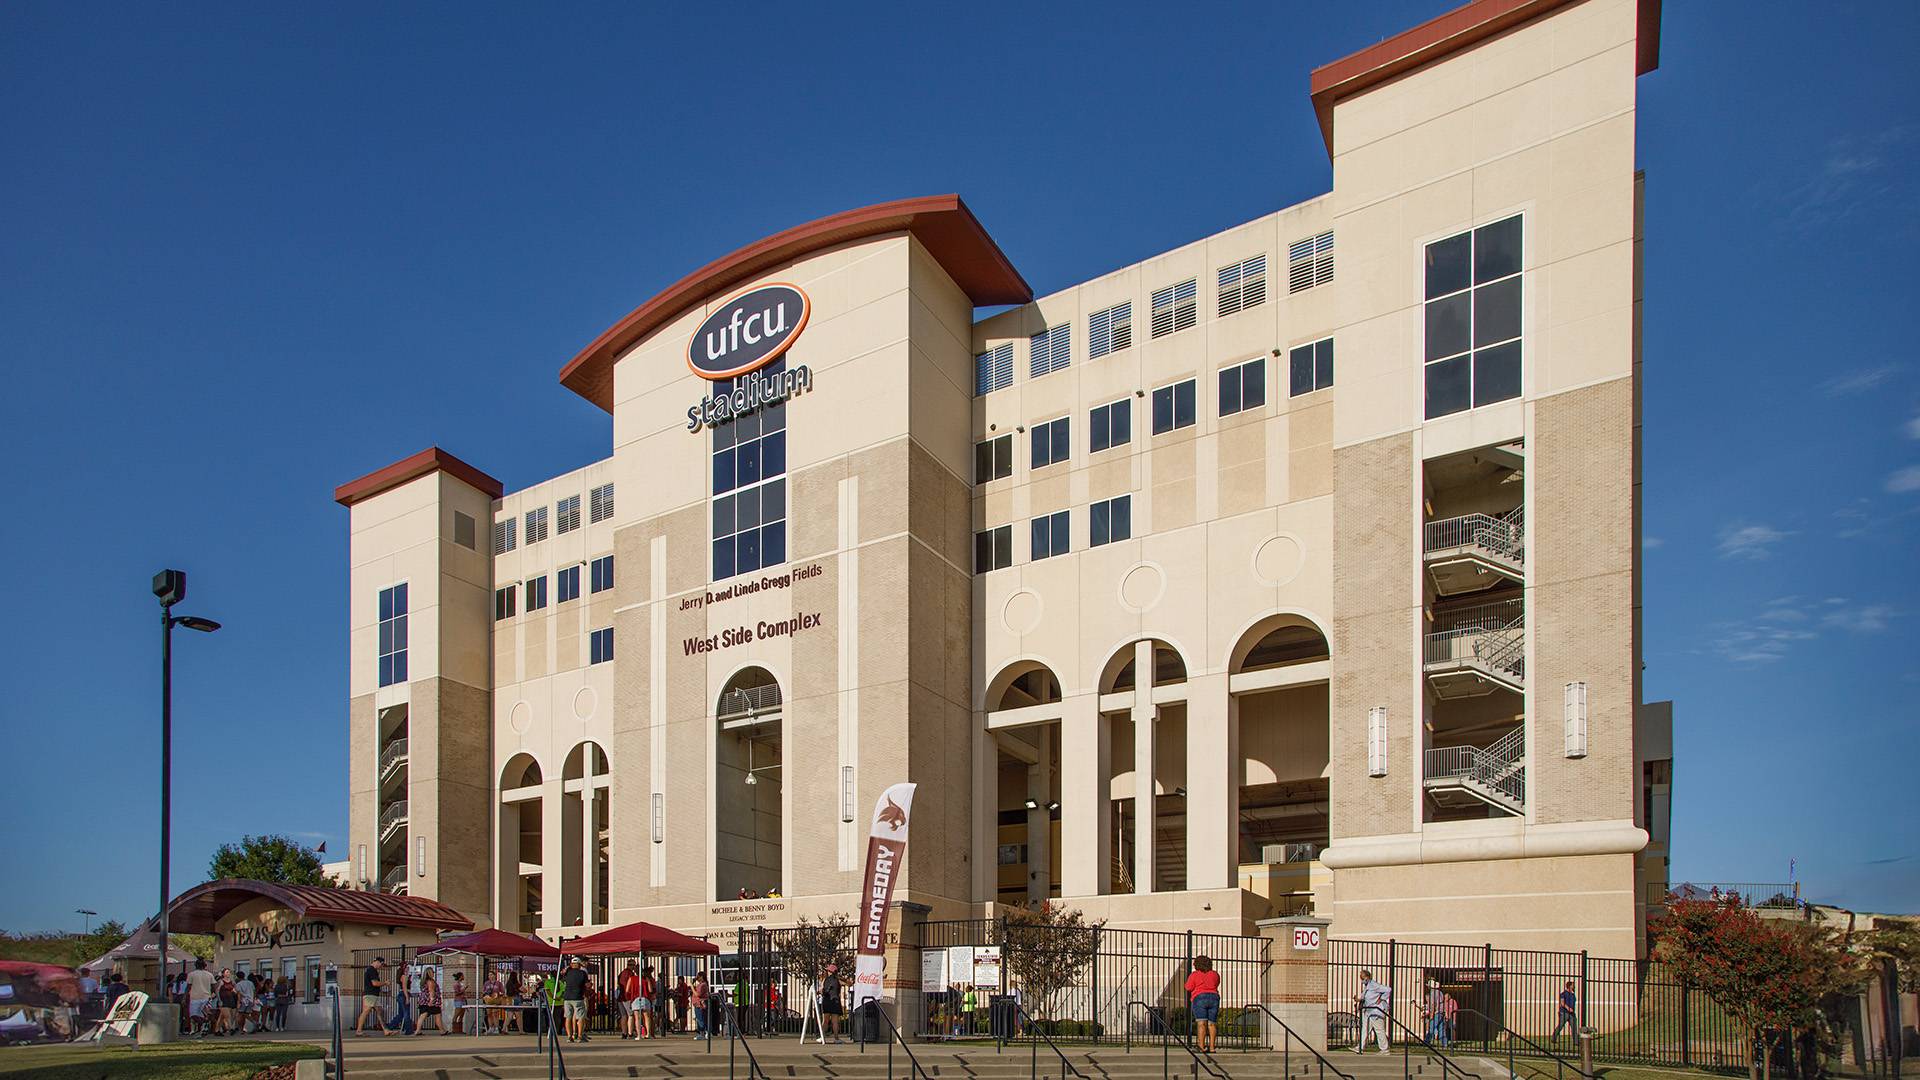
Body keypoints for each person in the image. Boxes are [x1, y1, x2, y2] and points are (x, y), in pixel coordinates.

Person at [1185, 955, 1222, 1054]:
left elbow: (1188, 987)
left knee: (1201, 1023)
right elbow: (1216, 983)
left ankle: (1201, 1047)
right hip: (1214, 997)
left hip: (1199, 997)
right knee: (1212, 1023)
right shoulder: (1215, 974)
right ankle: (1212, 1047)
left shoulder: (1195, 974)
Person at [1353, 970, 1390, 1054]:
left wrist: (1382, 999)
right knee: (1365, 1029)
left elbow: (1388, 989)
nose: (1362, 979)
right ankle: (1360, 1047)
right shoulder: (1367, 986)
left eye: (1363, 977)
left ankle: (1385, 1049)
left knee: (1379, 1030)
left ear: (1367, 977)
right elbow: (1366, 998)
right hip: (1368, 1011)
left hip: (1375, 1011)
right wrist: (1358, 999)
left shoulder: (1374, 985)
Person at [355, 958, 391, 1036]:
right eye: (381, 965)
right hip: (370, 995)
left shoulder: (371, 970)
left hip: (373, 994)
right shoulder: (372, 970)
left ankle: (386, 1030)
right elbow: (374, 983)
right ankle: (358, 1030)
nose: (381, 967)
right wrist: (385, 983)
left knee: (379, 1011)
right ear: (377, 962)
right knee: (366, 1011)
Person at [561, 957, 592, 1043]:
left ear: (571, 964)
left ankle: (569, 1036)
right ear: (579, 965)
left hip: (567, 998)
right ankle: (579, 1036)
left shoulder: (567, 973)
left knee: (568, 1017)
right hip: (578, 997)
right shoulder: (582, 973)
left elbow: (563, 979)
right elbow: (587, 985)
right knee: (580, 1017)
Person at [187, 959, 217, 1037]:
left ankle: (203, 1026)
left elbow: (188, 987)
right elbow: (214, 986)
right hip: (201, 997)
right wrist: (214, 993)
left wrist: (184, 997)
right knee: (196, 1015)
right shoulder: (194, 974)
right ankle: (205, 1023)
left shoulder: (192, 974)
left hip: (199, 997)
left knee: (194, 1015)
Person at [819, 964, 845, 1044]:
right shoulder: (838, 980)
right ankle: (836, 1038)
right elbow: (848, 983)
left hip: (827, 1001)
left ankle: (822, 1037)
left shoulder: (824, 980)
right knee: (835, 1021)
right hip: (835, 1002)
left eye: (828, 970)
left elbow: (821, 990)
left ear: (830, 971)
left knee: (825, 1020)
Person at [414, 969, 444, 1034]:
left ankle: (417, 1030)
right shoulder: (431, 981)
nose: (434, 973)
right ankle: (442, 1031)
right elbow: (431, 991)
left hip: (424, 1001)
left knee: (422, 1016)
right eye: (433, 972)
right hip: (432, 1002)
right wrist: (432, 1000)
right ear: (429, 973)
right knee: (437, 1015)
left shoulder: (424, 981)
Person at [617, 960, 642, 1039]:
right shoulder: (630, 974)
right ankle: (630, 1033)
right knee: (631, 1015)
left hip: (620, 997)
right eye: (634, 966)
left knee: (623, 1016)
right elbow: (630, 986)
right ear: (632, 965)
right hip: (627, 997)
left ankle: (624, 1033)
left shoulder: (622, 973)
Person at [1422, 979, 1449, 1047]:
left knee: (1431, 1027)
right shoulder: (1440, 992)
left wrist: (1431, 1014)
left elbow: (1433, 1004)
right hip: (1442, 1012)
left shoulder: (1432, 993)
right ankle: (1444, 1043)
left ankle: (1427, 1042)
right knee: (1441, 1028)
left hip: (1436, 1013)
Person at [637, 965, 656, 1038]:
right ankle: (649, 1032)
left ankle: (650, 1032)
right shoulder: (650, 979)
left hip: (649, 998)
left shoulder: (649, 979)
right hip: (649, 998)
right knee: (649, 1016)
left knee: (648, 1016)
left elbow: (652, 990)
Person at [691, 972, 711, 1040]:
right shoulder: (701, 985)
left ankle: (703, 1033)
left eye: (698, 977)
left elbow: (698, 994)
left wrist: (692, 988)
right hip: (697, 1004)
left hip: (700, 1004)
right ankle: (702, 1032)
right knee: (700, 1018)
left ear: (701, 977)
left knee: (700, 1019)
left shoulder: (703, 985)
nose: (697, 978)